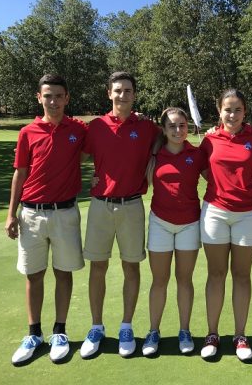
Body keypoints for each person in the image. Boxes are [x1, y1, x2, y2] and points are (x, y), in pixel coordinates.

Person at [6, 74, 86, 365]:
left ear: (67, 98)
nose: (53, 101)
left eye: (58, 96)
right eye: (47, 96)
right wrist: (10, 214)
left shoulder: (78, 130)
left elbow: (104, 140)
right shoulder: (28, 132)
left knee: (64, 272)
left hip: (65, 212)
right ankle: (34, 333)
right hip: (31, 214)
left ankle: (60, 332)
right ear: (39, 98)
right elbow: (20, 173)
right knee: (34, 274)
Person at [79, 71, 159, 358]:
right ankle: (97, 326)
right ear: (108, 94)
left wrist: (211, 133)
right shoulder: (96, 127)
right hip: (100, 205)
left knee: (131, 267)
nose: (122, 95)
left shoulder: (148, 127)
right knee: (97, 266)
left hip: (132, 205)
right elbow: (78, 155)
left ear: (134, 95)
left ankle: (126, 326)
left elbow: (171, 137)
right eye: (117, 90)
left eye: (127, 90)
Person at [199, 89, 252, 361]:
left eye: (238, 109)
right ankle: (212, 334)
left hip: (248, 214)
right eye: (227, 109)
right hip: (215, 213)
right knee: (216, 274)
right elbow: (204, 171)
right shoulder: (208, 139)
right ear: (219, 111)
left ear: (245, 112)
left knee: (242, 275)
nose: (232, 114)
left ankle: (240, 336)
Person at [140, 107, 205, 356]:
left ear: (188, 127)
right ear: (164, 130)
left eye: (182, 125)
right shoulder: (154, 154)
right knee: (159, 280)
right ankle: (153, 331)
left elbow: (219, 178)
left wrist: (251, 176)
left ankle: (184, 331)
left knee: (184, 280)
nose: (178, 130)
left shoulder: (196, 154)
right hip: (160, 223)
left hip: (190, 223)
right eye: (172, 126)